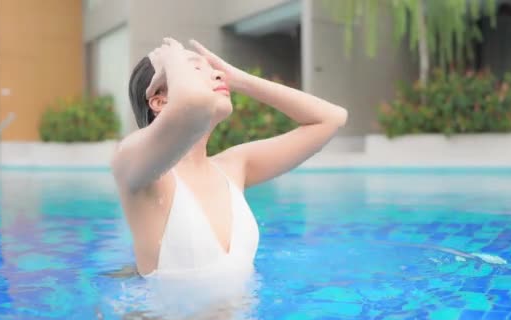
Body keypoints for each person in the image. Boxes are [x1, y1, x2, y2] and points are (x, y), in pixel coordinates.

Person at [111, 37, 347, 278]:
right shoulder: (134, 166)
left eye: (215, 70)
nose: (218, 74)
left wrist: (239, 80)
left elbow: (331, 119)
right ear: (160, 101)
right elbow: (194, 104)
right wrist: (173, 57)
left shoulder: (234, 166)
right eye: (194, 68)